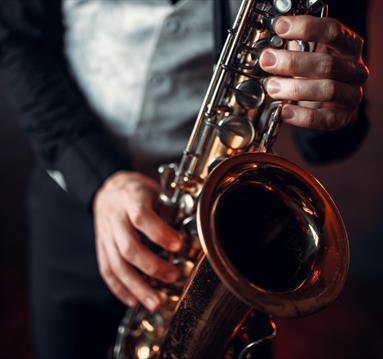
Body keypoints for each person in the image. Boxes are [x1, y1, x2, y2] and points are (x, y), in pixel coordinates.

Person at [0, 0, 369, 358]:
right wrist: (98, 178)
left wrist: (332, 103)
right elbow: (16, 38)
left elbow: (330, 140)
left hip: (226, 229)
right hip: (72, 209)